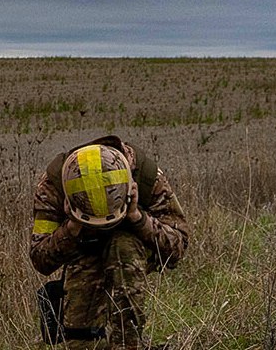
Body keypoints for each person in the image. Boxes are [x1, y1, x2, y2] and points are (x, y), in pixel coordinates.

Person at [29, 135, 189, 349]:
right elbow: (41, 259)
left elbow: (177, 247)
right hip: (82, 252)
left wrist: (138, 219)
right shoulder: (53, 186)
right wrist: (72, 228)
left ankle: (129, 341)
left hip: (132, 251)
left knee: (122, 245)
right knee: (80, 344)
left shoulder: (148, 177)